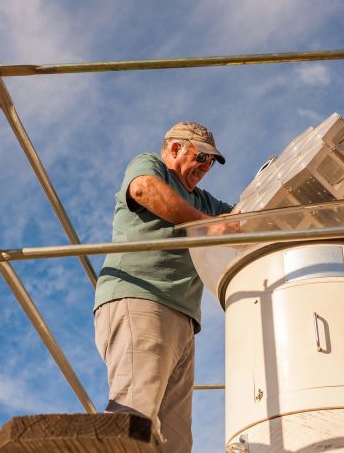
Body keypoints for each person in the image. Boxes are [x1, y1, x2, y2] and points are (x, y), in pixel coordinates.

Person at [94, 121, 233, 453]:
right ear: (175, 149)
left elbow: (244, 220)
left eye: (211, 163)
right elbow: (143, 189)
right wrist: (206, 226)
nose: (206, 168)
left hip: (184, 318)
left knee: (175, 439)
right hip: (141, 298)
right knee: (134, 414)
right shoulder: (151, 166)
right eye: (201, 158)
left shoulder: (203, 200)